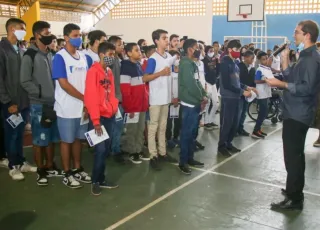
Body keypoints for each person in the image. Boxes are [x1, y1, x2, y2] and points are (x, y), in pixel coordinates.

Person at [266, 20, 320, 210]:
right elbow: (293, 78)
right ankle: (293, 189)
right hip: (294, 112)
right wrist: (286, 62)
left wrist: (280, 84)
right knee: (293, 156)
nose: (294, 35)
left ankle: (295, 199)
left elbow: (306, 88)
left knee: (293, 156)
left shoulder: (312, 59)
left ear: (307, 35)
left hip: (298, 114)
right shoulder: (304, 57)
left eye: (297, 32)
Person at [20, 21, 62, 186]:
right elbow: (24, 80)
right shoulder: (29, 55)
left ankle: (50, 165)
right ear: (37, 35)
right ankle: (41, 169)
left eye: (50, 33)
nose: (50, 36)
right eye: (46, 33)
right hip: (39, 104)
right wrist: (39, 93)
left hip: (54, 104)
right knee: (39, 139)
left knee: (51, 138)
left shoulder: (52, 54)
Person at [52, 23, 91, 189]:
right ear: (66, 37)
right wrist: (84, 98)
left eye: (80, 35)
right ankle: (67, 173)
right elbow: (64, 83)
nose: (79, 38)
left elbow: (89, 81)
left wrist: (88, 101)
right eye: (75, 35)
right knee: (66, 141)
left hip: (82, 108)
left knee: (78, 139)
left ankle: (77, 168)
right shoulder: (60, 57)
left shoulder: (84, 57)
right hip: (66, 108)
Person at [0, 18, 37, 180]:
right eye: (22, 28)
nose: (24, 31)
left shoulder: (21, 49)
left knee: (20, 132)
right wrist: (8, 101)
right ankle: (13, 166)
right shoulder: (2, 50)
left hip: (23, 102)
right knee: (11, 134)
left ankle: (21, 161)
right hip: (10, 103)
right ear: (12, 29)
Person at [85, 41, 119, 196]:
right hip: (97, 119)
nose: (112, 57)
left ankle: (101, 178)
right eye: (110, 55)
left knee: (106, 150)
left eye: (114, 54)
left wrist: (113, 108)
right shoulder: (93, 72)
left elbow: (111, 93)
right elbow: (91, 97)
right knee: (100, 150)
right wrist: (96, 121)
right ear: (101, 55)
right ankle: (95, 181)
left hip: (109, 116)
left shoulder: (109, 72)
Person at [144, 29, 177, 171]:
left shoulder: (168, 56)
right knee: (153, 128)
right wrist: (161, 73)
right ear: (156, 41)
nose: (167, 40)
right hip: (156, 99)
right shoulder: (153, 59)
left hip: (165, 98)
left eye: (167, 38)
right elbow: (145, 78)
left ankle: (163, 153)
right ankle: (153, 155)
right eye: (164, 38)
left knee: (163, 127)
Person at [218, 40, 256, 157]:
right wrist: (242, 91)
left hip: (237, 97)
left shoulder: (235, 63)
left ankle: (229, 143)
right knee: (227, 123)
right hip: (228, 97)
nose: (238, 52)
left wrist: (246, 87)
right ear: (229, 49)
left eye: (239, 50)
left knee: (235, 122)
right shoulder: (225, 62)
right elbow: (226, 84)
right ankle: (222, 146)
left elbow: (237, 82)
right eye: (236, 49)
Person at [178, 38, 207, 174]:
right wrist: (201, 97)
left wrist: (204, 94)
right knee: (186, 134)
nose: (199, 50)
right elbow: (190, 85)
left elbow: (198, 82)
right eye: (196, 47)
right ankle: (183, 161)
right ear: (189, 49)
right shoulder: (185, 64)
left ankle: (190, 158)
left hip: (195, 102)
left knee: (192, 134)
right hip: (189, 103)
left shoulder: (193, 64)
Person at [120, 43, 149, 162]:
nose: (140, 52)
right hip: (133, 106)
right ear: (129, 53)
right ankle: (132, 151)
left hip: (142, 104)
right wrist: (130, 107)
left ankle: (139, 149)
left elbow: (142, 85)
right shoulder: (126, 67)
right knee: (131, 130)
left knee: (140, 128)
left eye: (139, 50)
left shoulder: (138, 65)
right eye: (136, 50)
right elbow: (125, 89)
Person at [108, 36, 126, 164]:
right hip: (113, 98)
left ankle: (115, 147)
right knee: (116, 125)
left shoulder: (119, 59)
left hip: (118, 96)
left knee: (117, 125)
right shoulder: (111, 59)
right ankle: (114, 150)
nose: (122, 47)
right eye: (120, 45)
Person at [252, 51, 273, 139]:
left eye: (266, 58)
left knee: (265, 112)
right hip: (261, 93)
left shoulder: (267, 69)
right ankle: (255, 131)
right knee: (262, 113)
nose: (265, 60)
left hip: (266, 92)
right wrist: (266, 81)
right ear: (260, 60)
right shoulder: (259, 69)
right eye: (263, 59)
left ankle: (258, 129)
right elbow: (256, 81)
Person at [237, 50, 255, 136]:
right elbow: (237, 81)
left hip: (248, 92)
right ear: (246, 57)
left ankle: (240, 128)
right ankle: (235, 129)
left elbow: (252, 80)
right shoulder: (239, 67)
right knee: (238, 112)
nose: (252, 60)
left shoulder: (252, 68)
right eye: (251, 58)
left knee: (244, 112)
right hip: (240, 92)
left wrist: (252, 89)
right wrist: (243, 89)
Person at [166, 50, 181, 149]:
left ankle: (175, 137)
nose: (178, 60)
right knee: (169, 121)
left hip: (179, 100)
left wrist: (179, 98)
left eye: (179, 58)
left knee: (178, 120)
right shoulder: (168, 73)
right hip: (171, 101)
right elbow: (168, 87)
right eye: (176, 58)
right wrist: (172, 98)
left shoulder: (181, 72)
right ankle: (168, 139)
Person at [202, 45, 220, 129]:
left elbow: (217, 71)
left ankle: (211, 120)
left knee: (216, 103)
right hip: (207, 83)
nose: (212, 52)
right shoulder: (203, 61)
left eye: (212, 50)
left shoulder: (215, 60)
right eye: (210, 50)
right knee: (208, 103)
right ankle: (206, 122)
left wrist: (218, 62)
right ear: (206, 51)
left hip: (214, 83)